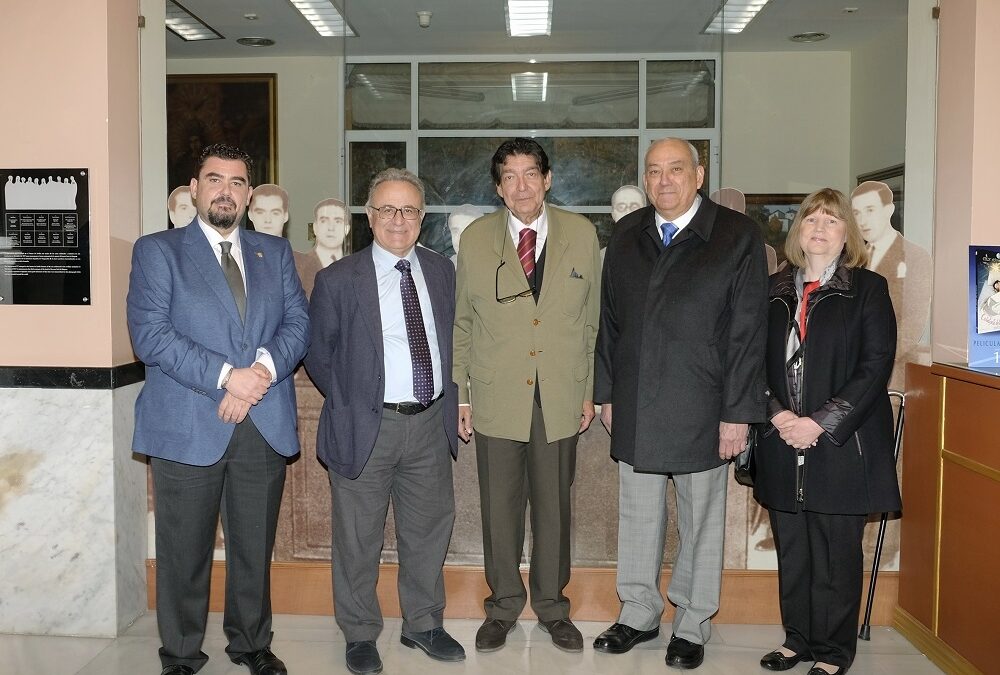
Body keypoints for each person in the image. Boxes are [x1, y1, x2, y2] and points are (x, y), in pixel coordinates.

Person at [127, 144, 309, 675]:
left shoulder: (274, 254)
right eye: (215, 179)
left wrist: (262, 373)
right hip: (186, 423)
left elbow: (298, 323)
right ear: (194, 188)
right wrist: (230, 378)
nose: (225, 190)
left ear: (250, 195)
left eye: (236, 182)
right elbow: (151, 336)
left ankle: (252, 644)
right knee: (184, 552)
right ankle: (180, 654)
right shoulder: (157, 251)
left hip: (262, 423)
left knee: (254, 547)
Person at [594, 138, 768, 670]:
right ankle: (639, 612)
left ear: (699, 173)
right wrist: (606, 392)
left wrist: (738, 413)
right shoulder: (627, 234)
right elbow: (611, 323)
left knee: (701, 523)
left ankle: (692, 623)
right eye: (653, 171)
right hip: (638, 403)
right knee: (638, 516)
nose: (664, 180)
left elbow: (748, 333)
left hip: (707, 405)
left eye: (675, 169)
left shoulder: (737, 236)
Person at [305, 168, 464, 675]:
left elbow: (453, 343)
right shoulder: (337, 279)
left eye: (410, 210)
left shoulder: (442, 272)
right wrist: (357, 400)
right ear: (370, 217)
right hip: (365, 426)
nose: (400, 220)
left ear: (423, 218)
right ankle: (359, 632)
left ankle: (422, 624)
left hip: (429, 422)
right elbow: (318, 354)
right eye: (388, 209)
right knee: (357, 536)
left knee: (429, 529)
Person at [453, 137, 601, 654]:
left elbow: (591, 323)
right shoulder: (475, 239)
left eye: (531, 173)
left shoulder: (582, 235)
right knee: (500, 509)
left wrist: (587, 390)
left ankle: (553, 608)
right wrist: (461, 394)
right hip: (496, 396)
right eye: (510, 176)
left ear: (548, 179)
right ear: (498, 187)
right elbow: (462, 323)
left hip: (560, 394)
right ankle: (502, 607)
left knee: (554, 507)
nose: (522, 185)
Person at [754, 188, 900, 675]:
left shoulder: (869, 289)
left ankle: (833, 654)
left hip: (843, 444)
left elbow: (874, 366)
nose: (819, 229)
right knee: (793, 551)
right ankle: (797, 641)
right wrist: (777, 416)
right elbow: (749, 363)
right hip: (781, 441)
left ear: (848, 235)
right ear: (798, 231)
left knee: (836, 554)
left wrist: (819, 422)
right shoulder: (770, 290)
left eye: (832, 221)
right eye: (811, 220)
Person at [850, 181, 931, 388]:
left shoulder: (915, 256)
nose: (863, 220)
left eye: (870, 210)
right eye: (857, 213)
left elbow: (914, 322)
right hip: (848, 374)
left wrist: (873, 360)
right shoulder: (852, 259)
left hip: (891, 375)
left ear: (889, 210)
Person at [294, 198, 350, 298]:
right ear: (315, 228)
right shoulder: (296, 266)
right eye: (324, 221)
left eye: (338, 221)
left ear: (347, 229)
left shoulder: (357, 268)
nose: (331, 228)